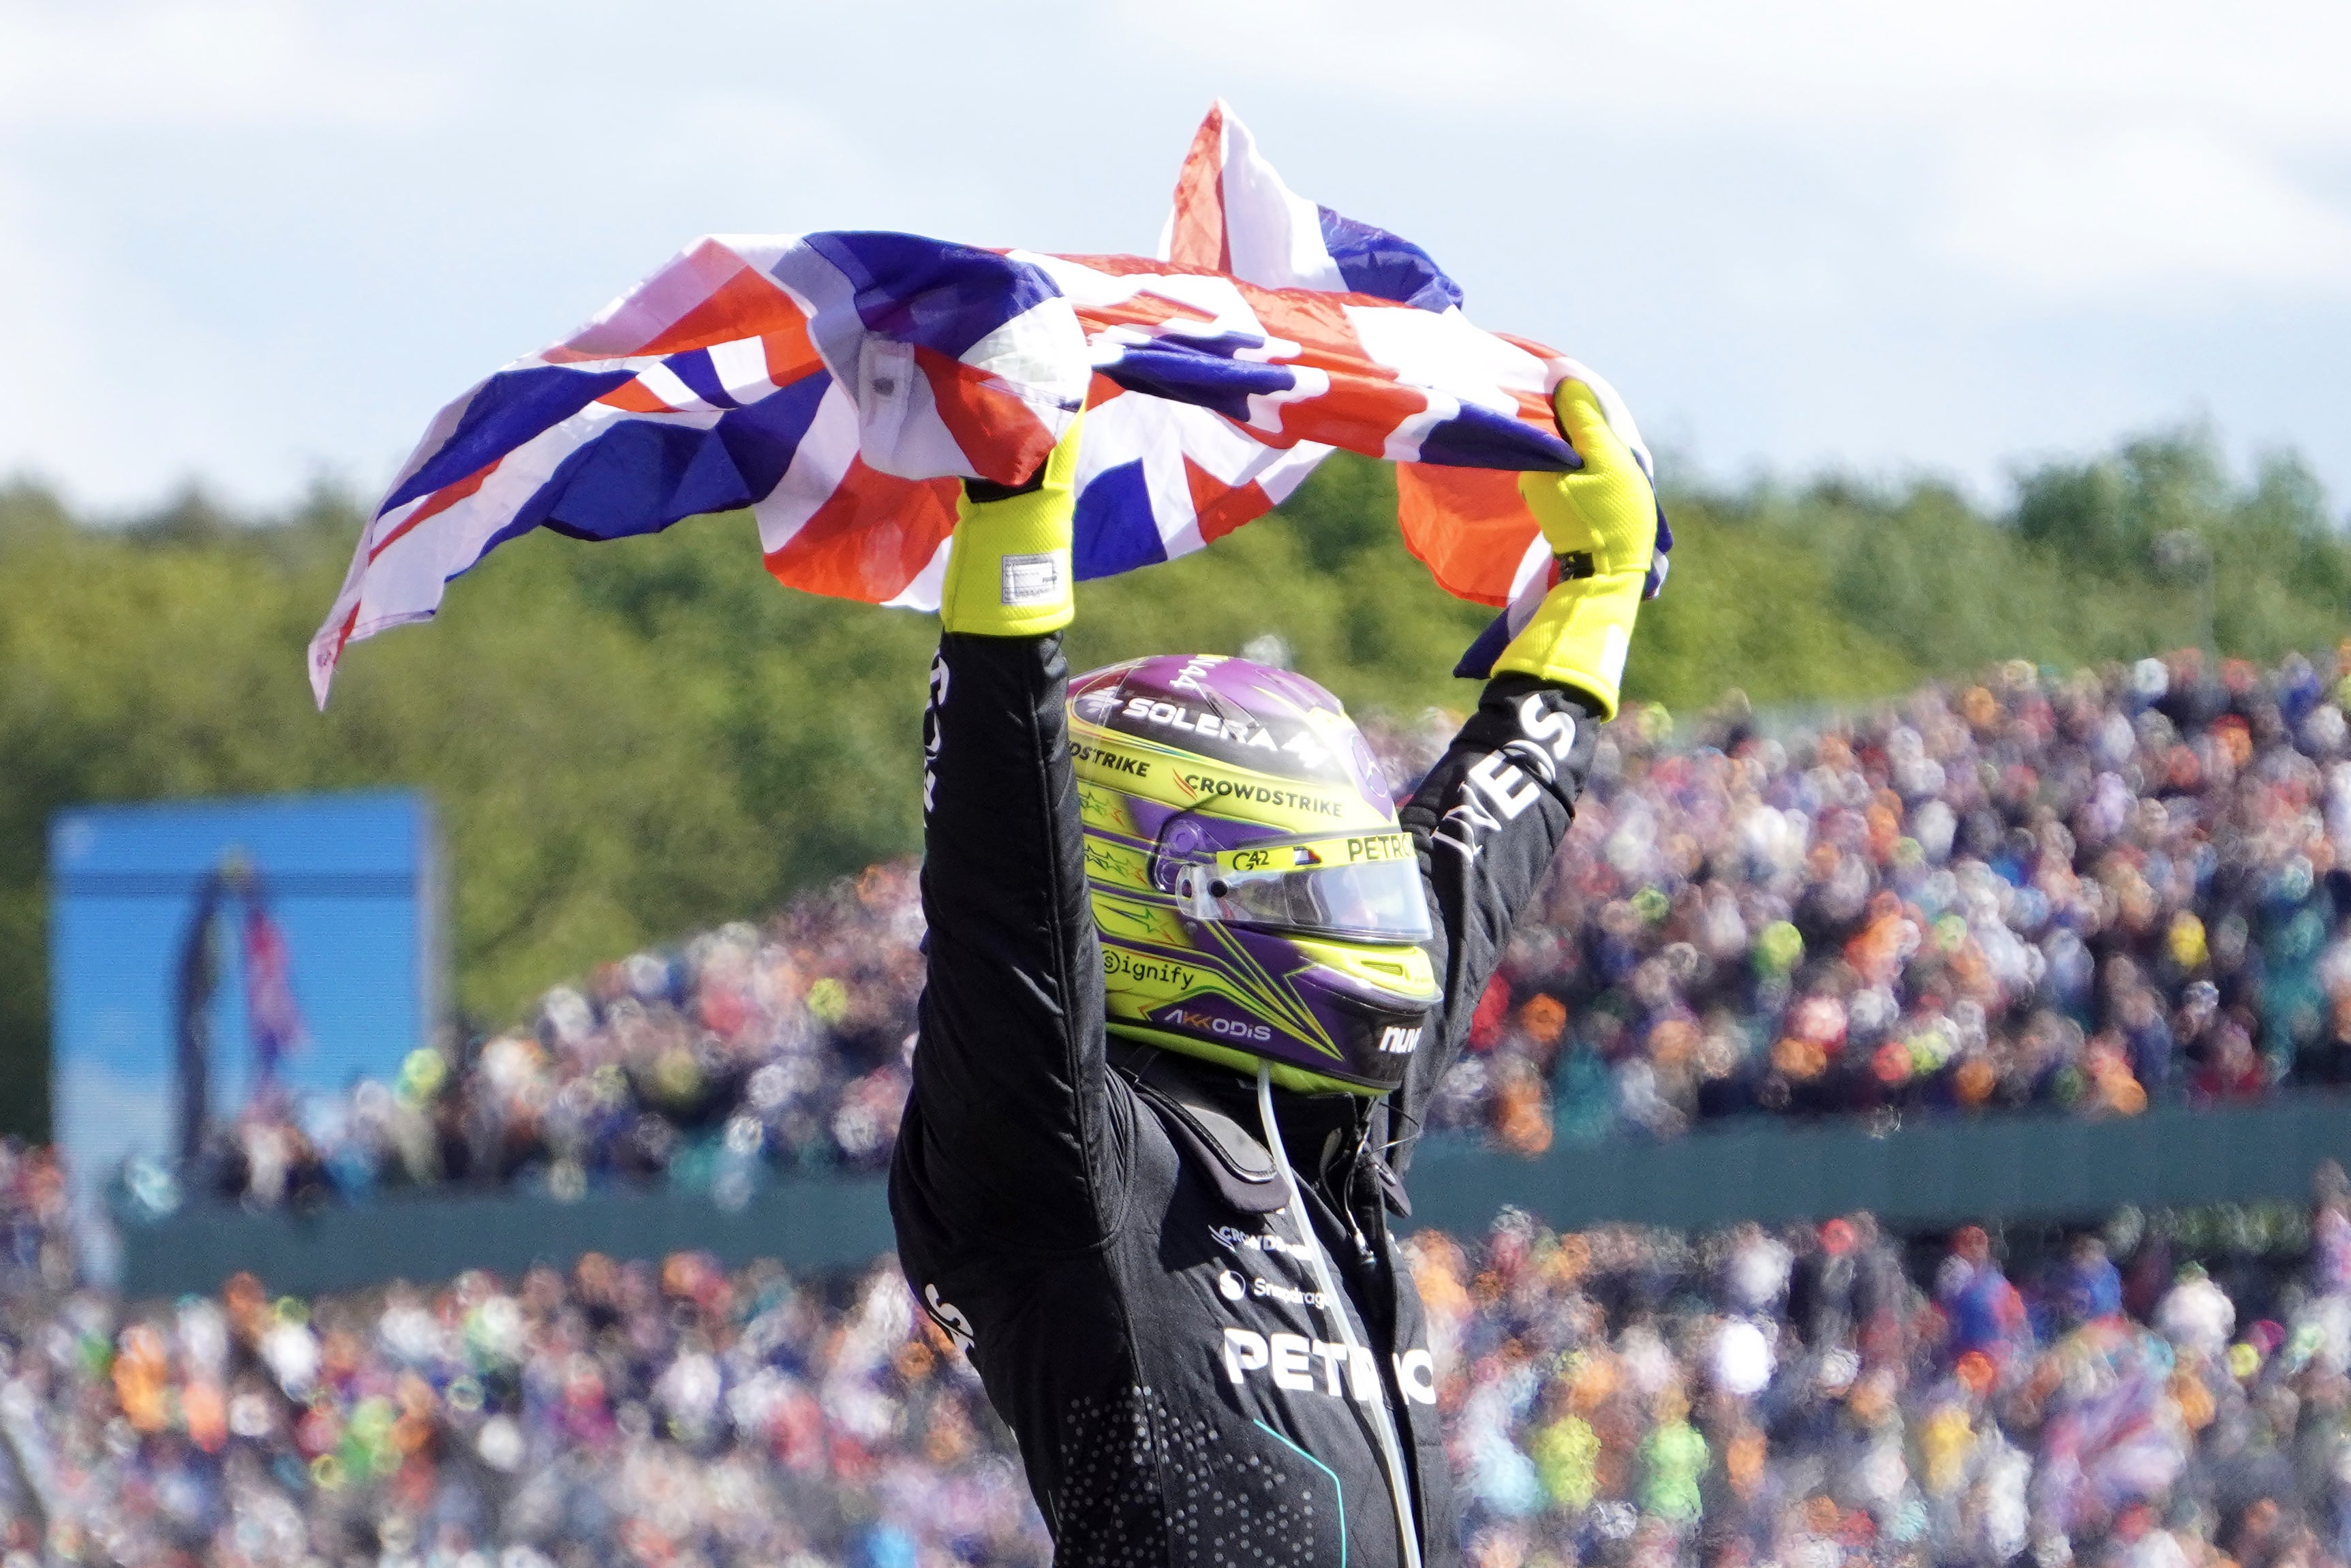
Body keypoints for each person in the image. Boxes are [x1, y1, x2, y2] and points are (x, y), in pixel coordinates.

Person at [888, 378, 1663, 1567]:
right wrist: (1011, 548)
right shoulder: (1064, 1170)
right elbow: (1002, 904)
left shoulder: (1320, 1137)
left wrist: (1588, 610)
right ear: (1155, 884)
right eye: (1302, 887)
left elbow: (1463, 865)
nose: (1364, 930)